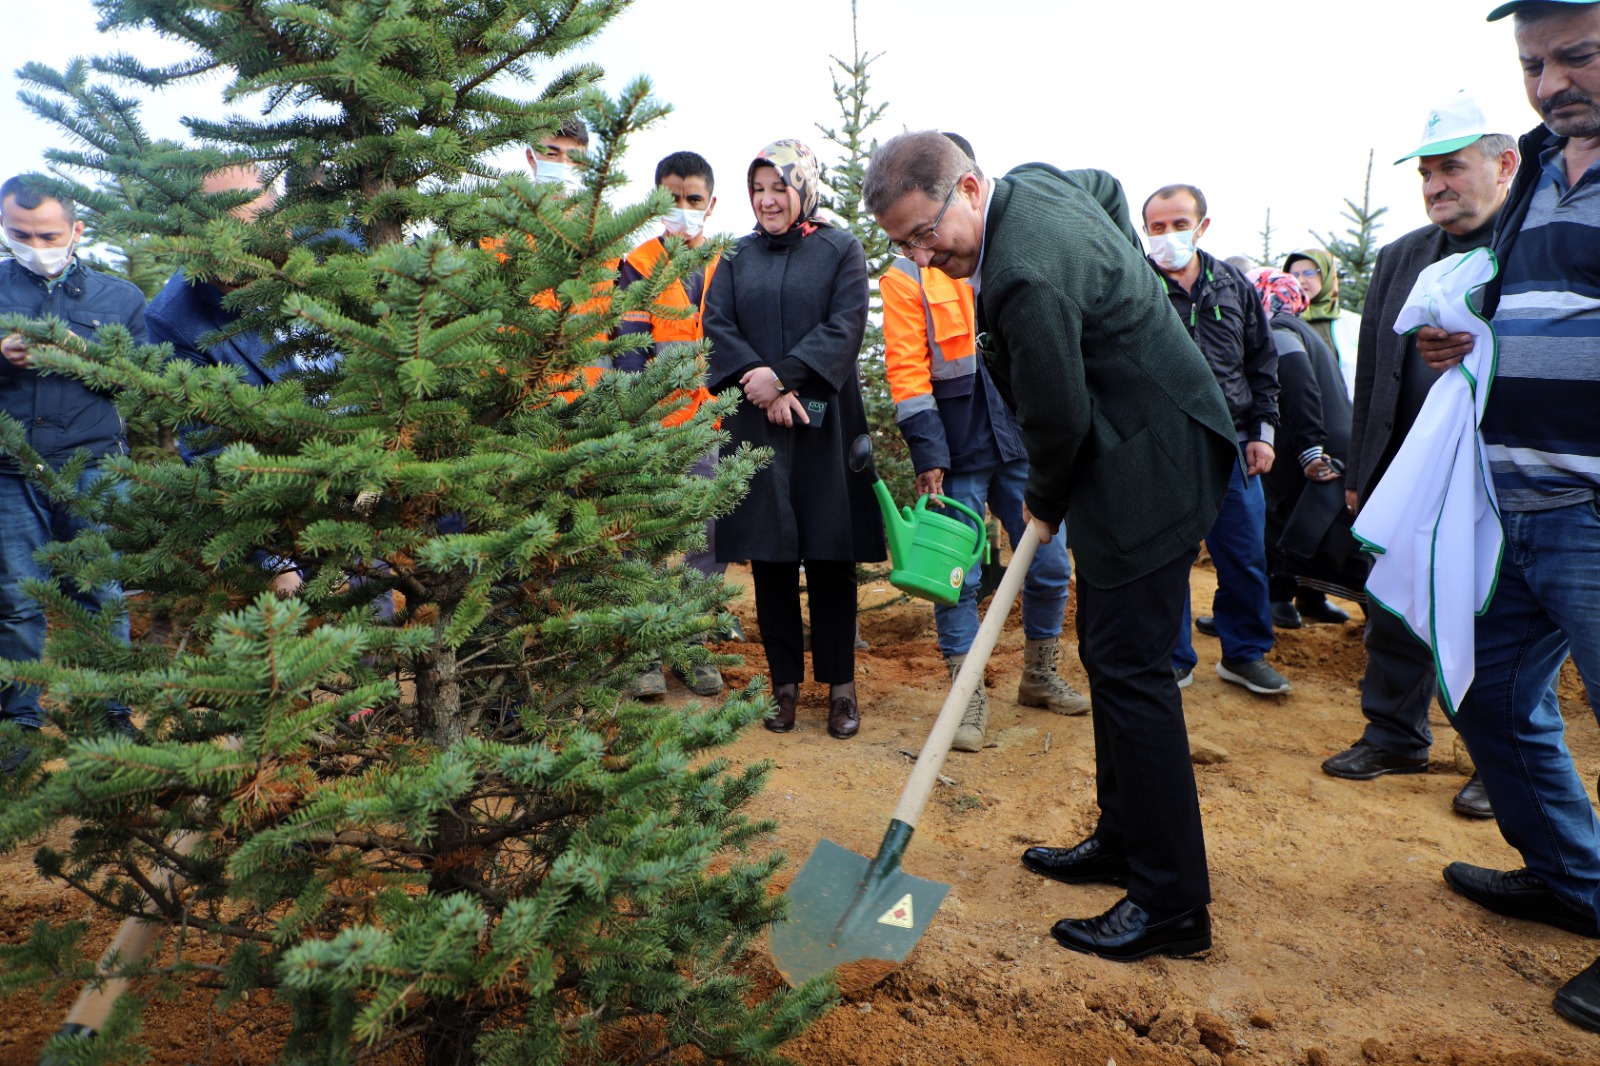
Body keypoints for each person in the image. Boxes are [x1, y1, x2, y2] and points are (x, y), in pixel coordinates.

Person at [865, 132, 1238, 961]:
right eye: (902, 246)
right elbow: (1105, 185)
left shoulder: (1023, 275)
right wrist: (1123, 287)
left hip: (1154, 460)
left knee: (1133, 672)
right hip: (1130, 446)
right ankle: (1123, 836)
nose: (922, 258)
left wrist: (1041, 502)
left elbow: (1058, 421)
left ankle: (1173, 904)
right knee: (1109, 655)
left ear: (967, 188)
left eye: (927, 234)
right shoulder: (1031, 183)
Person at [1419, 0, 1600, 1035]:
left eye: (1574, 55)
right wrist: (1467, 340)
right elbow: (1522, 303)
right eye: (1532, 62)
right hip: (1511, 499)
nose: (1548, 83)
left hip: (1589, 506)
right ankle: (1570, 879)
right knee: (1484, 691)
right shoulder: (1535, 162)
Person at [1323, 94, 1519, 819]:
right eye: (1427, 173)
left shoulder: (1529, 246)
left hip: (1497, 477)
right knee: (1392, 606)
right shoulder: (1401, 256)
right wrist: (1361, 476)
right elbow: (1373, 372)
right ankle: (1394, 734)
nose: (1437, 185)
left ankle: (1498, 765)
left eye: (1452, 169)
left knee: (1495, 617)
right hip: (1406, 473)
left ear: (1503, 166)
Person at [882, 133, 1087, 754]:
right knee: (956, 574)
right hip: (958, 447)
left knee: (1049, 564)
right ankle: (965, 694)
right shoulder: (906, 274)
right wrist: (929, 455)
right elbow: (907, 371)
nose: (925, 247)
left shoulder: (1010, 249)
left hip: (1021, 441)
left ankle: (1039, 674)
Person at [703, 139, 883, 740]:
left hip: (824, 421)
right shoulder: (736, 255)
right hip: (757, 421)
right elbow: (718, 325)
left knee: (830, 555)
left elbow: (847, 323)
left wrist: (785, 377)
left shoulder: (839, 248)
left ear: (802, 187)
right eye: (758, 188)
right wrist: (765, 386)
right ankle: (783, 687)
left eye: (779, 186)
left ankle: (841, 689)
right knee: (772, 557)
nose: (767, 199)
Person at [0, 175, 148, 772]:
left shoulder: (120, 298)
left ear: (77, 230)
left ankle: (110, 713)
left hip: (92, 466)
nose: (35, 243)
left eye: (48, 234)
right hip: (8, 469)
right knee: (14, 600)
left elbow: (139, 379)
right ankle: (18, 726)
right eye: (19, 233)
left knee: (100, 594)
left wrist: (72, 353)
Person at [1141, 184, 1289, 697]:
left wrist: (1263, 434)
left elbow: (1262, 365)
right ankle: (1174, 659)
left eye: (1178, 224)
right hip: (1163, 448)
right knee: (1168, 559)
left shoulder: (1233, 285)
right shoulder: (1135, 286)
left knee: (1244, 554)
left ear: (1202, 226)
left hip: (1231, 445)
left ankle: (1244, 653)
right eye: (1156, 227)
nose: (1167, 236)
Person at [612, 150, 726, 697]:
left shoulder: (729, 262)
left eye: (693, 200)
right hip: (656, 426)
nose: (683, 208)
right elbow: (630, 350)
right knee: (648, 540)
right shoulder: (636, 262)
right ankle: (645, 654)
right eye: (672, 199)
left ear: (711, 203)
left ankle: (695, 646)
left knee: (708, 540)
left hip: (713, 426)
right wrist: (639, 422)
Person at [1248, 269, 1366, 638]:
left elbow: (1298, 387)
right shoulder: (1302, 331)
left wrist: (1311, 451)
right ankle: (1282, 604)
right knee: (1316, 536)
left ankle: (1396, 634)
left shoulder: (1278, 331)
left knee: (1329, 542)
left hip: (1317, 450)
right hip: (1330, 443)